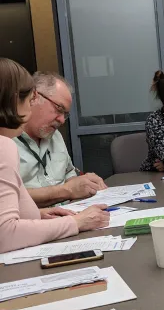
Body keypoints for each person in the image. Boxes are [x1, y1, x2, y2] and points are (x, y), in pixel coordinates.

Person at [0, 58, 109, 253]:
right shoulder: (5, 145)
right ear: (14, 101)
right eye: (29, 98)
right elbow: (5, 234)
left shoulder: (52, 136)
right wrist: (75, 221)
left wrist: (39, 214)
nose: (61, 120)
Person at [14, 72, 107, 208]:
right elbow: (9, 198)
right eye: (59, 109)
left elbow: (69, 172)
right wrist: (67, 191)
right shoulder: (6, 139)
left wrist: (83, 184)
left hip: (71, 213)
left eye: (65, 114)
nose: (62, 120)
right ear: (34, 97)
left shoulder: (55, 135)